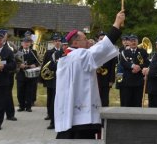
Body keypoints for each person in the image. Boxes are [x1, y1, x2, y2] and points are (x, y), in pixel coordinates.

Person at [54, 10, 125, 139]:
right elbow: (103, 47)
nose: (88, 42)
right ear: (75, 43)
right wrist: (117, 23)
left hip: (68, 109)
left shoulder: (66, 58)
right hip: (82, 118)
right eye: (85, 39)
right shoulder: (80, 56)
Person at [0, 32, 16, 130]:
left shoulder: (8, 51)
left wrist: (4, 66)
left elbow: (13, 65)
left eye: (0, 40)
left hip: (2, 82)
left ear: (3, 40)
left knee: (0, 103)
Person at [120, 34, 150, 107]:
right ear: (129, 42)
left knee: (137, 102)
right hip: (127, 82)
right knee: (127, 101)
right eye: (131, 41)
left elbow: (147, 63)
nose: (133, 42)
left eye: (135, 41)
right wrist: (132, 66)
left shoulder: (143, 52)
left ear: (137, 42)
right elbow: (123, 63)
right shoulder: (124, 52)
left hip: (138, 81)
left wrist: (139, 67)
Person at [41, 33, 63, 129]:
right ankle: (49, 114)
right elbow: (44, 66)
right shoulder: (49, 52)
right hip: (51, 79)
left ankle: (55, 118)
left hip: (59, 79)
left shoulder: (63, 52)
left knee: (55, 99)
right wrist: (42, 79)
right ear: (53, 42)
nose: (57, 42)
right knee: (50, 98)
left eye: (59, 41)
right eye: (55, 41)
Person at [0, 29, 18, 121]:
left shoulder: (11, 46)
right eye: (1, 35)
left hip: (8, 74)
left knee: (8, 94)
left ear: (6, 36)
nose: (2, 37)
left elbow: (16, 58)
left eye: (4, 35)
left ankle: (10, 114)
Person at [16, 37, 39, 112]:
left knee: (29, 91)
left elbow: (37, 62)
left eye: (28, 42)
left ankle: (28, 106)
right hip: (21, 75)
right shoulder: (18, 52)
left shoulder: (33, 52)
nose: (26, 43)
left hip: (30, 76)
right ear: (22, 43)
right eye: (24, 42)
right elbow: (14, 62)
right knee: (20, 91)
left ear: (30, 43)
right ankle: (21, 106)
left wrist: (34, 65)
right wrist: (19, 65)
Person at [96, 31, 117, 107]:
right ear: (98, 40)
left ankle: (104, 117)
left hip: (106, 79)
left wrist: (111, 80)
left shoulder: (111, 51)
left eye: (103, 39)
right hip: (96, 78)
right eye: (100, 39)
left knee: (105, 99)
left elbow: (112, 67)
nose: (102, 40)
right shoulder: (93, 50)